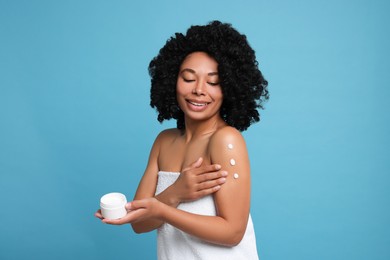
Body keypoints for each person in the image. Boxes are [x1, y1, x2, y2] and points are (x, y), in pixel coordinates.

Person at [95, 20, 269, 259]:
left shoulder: (226, 140)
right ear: (171, 81)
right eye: (188, 78)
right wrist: (175, 193)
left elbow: (233, 232)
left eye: (213, 82)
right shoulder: (164, 141)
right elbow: (140, 224)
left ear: (229, 88)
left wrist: (164, 210)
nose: (199, 89)